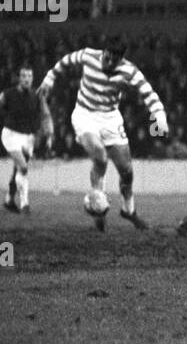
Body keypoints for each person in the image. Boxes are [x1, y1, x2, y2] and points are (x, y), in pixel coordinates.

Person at [37, 38, 167, 230]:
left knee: (127, 171)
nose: (108, 62)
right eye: (106, 57)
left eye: (113, 60)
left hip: (111, 119)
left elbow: (149, 93)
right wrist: (49, 78)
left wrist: (160, 116)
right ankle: (98, 206)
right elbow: (66, 61)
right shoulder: (89, 55)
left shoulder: (129, 71)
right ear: (103, 52)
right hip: (85, 114)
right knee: (100, 156)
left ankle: (128, 210)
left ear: (120, 60)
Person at [0, 66, 53, 214]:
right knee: (23, 167)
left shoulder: (37, 96)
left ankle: (9, 199)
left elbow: (46, 115)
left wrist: (49, 136)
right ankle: (25, 204)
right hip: (10, 135)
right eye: (24, 76)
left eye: (29, 76)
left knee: (18, 170)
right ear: (18, 78)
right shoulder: (8, 94)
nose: (27, 79)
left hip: (28, 138)